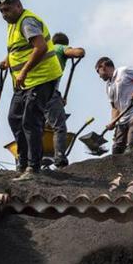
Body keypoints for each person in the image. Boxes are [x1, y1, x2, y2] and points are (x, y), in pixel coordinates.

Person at [0, 0, 63, 180]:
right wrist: (7, 60)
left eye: (7, 10)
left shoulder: (27, 21)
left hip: (41, 78)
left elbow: (40, 47)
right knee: (14, 118)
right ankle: (22, 162)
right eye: (1, 11)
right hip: (25, 82)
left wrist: (23, 71)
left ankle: (33, 168)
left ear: (19, 5)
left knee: (31, 121)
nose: (4, 14)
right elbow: (19, 48)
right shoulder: (13, 24)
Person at [45, 32, 86, 167]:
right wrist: (80, 50)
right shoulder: (59, 48)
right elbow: (77, 53)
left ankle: (28, 158)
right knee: (60, 127)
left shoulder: (45, 48)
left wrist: (59, 97)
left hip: (33, 91)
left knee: (36, 126)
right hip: (48, 92)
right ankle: (60, 158)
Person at [96, 57, 133, 154]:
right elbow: (114, 107)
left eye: (98, 71)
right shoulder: (108, 86)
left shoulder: (124, 71)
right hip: (123, 118)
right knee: (117, 150)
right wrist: (113, 121)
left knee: (132, 144)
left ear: (103, 67)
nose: (99, 76)